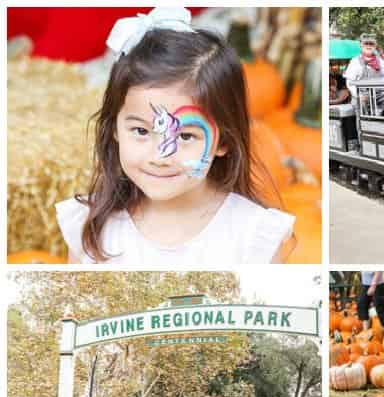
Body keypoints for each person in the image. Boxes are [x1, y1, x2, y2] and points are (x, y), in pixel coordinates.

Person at [55, 7, 294, 266]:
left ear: (223, 141)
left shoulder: (253, 236)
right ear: (115, 128)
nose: (161, 156)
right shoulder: (90, 229)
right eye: (142, 131)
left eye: (185, 136)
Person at [344, 33, 384, 105]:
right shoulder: (355, 62)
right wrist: (359, 96)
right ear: (361, 46)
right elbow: (349, 82)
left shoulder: (381, 61)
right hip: (361, 98)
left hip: (381, 96)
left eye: (371, 44)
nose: (369, 46)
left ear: (375, 46)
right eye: (366, 43)